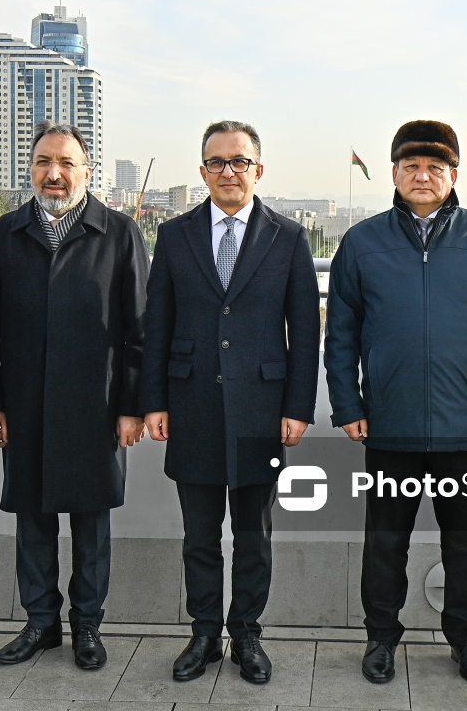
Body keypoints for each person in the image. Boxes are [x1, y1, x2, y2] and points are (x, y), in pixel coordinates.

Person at [325, 120, 467, 686]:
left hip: (465, 427)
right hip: (388, 426)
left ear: (453, 175)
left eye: (435, 167)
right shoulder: (362, 242)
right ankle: (380, 638)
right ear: (394, 173)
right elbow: (340, 334)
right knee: (385, 543)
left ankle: (465, 640)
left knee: (465, 544)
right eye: (411, 166)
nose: (422, 176)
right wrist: (348, 406)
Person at [140, 120, 320, 685]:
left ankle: (246, 634)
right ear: (202, 172)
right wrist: (153, 401)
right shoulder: (174, 235)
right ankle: (203, 634)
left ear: (257, 170)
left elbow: (304, 332)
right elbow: (157, 324)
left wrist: (297, 407)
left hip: (261, 410)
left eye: (239, 161)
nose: (228, 171)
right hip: (189, 404)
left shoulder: (288, 238)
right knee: (199, 536)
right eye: (216, 162)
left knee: (253, 536)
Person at [0, 120, 149, 670]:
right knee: (32, 518)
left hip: (97, 406)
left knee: (92, 521)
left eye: (66, 163)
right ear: (30, 169)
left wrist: (131, 407)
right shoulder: (5, 234)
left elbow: (140, 332)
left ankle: (87, 625)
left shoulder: (119, 234)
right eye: (44, 162)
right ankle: (40, 623)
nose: (54, 173)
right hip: (24, 404)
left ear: (86, 172)